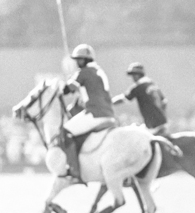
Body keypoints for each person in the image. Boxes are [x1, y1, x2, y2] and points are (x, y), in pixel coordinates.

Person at [60, 44, 117, 179]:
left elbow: (66, 90)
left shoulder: (84, 72)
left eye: (79, 59)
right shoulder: (99, 71)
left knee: (65, 132)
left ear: (86, 59)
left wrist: (69, 79)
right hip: (109, 114)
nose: (77, 62)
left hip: (95, 113)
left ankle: (74, 169)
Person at [112, 62, 169, 135]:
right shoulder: (152, 83)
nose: (132, 77)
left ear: (137, 75)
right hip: (163, 123)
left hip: (153, 127)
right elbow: (164, 102)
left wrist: (109, 103)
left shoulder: (139, 87)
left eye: (133, 75)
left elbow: (123, 99)